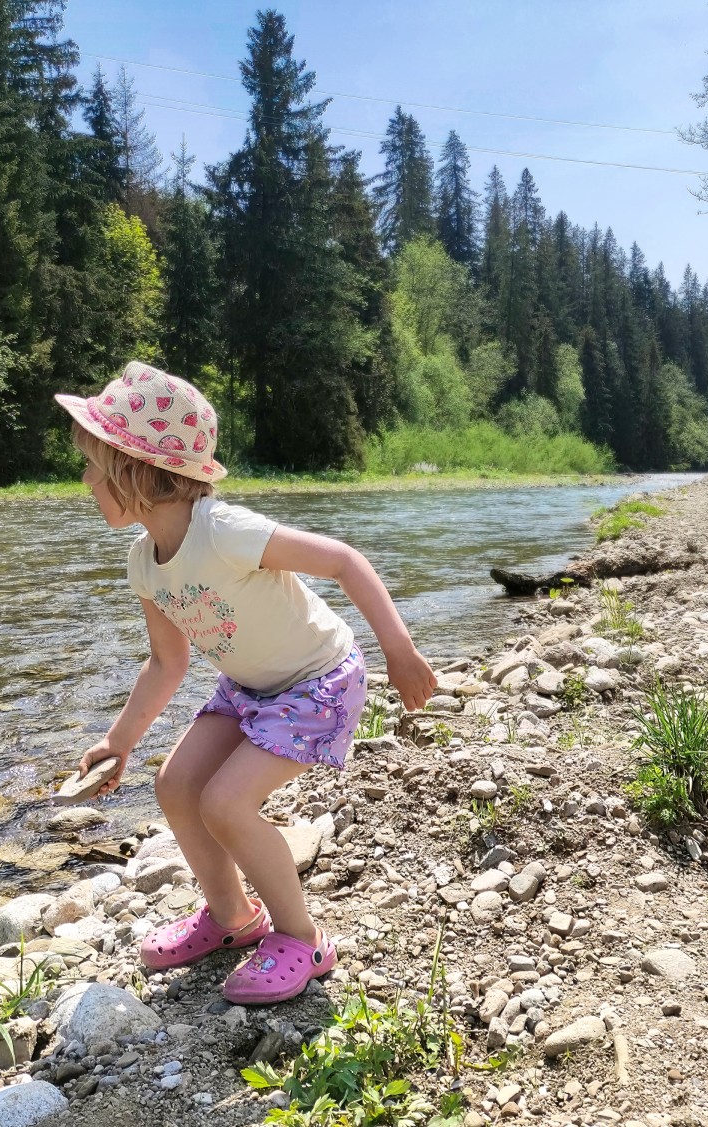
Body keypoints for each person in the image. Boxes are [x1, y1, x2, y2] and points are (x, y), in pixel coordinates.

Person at [55, 361, 437, 1004]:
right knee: (175, 784)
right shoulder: (144, 563)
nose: (86, 479)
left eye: (94, 464)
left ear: (137, 470)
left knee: (225, 803)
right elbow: (167, 663)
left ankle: (302, 939)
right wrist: (118, 740)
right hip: (249, 687)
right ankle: (234, 921)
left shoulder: (223, 531)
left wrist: (398, 650)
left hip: (319, 681)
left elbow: (344, 560)